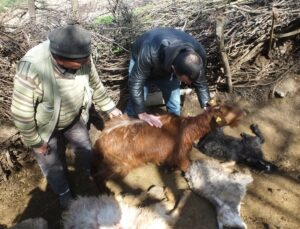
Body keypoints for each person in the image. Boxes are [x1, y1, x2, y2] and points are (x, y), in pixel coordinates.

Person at [10, 23, 122, 208]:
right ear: (59, 59)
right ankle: (64, 193)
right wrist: (36, 142)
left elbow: (95, 83)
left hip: (73, 117)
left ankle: (85, 176)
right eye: (81, 62)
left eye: (87, 59)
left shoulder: (83, 57)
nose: (86, 63)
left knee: (85, 149)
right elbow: (22, 113)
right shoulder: (32, 67)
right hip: (44, 126)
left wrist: (109, 108)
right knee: (52, 164)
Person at [125, 27, 210, 127]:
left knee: (174, 105)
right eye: (185, 80)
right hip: (142, 62)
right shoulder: (150, 51)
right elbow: (136, 82)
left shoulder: (197, 54)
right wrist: (142, 113)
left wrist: (207, 106)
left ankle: (173, 134)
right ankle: (124, 128)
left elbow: (201, 82)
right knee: (136, 105)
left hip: (165, 66)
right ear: (174, 70)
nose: (188, 84)